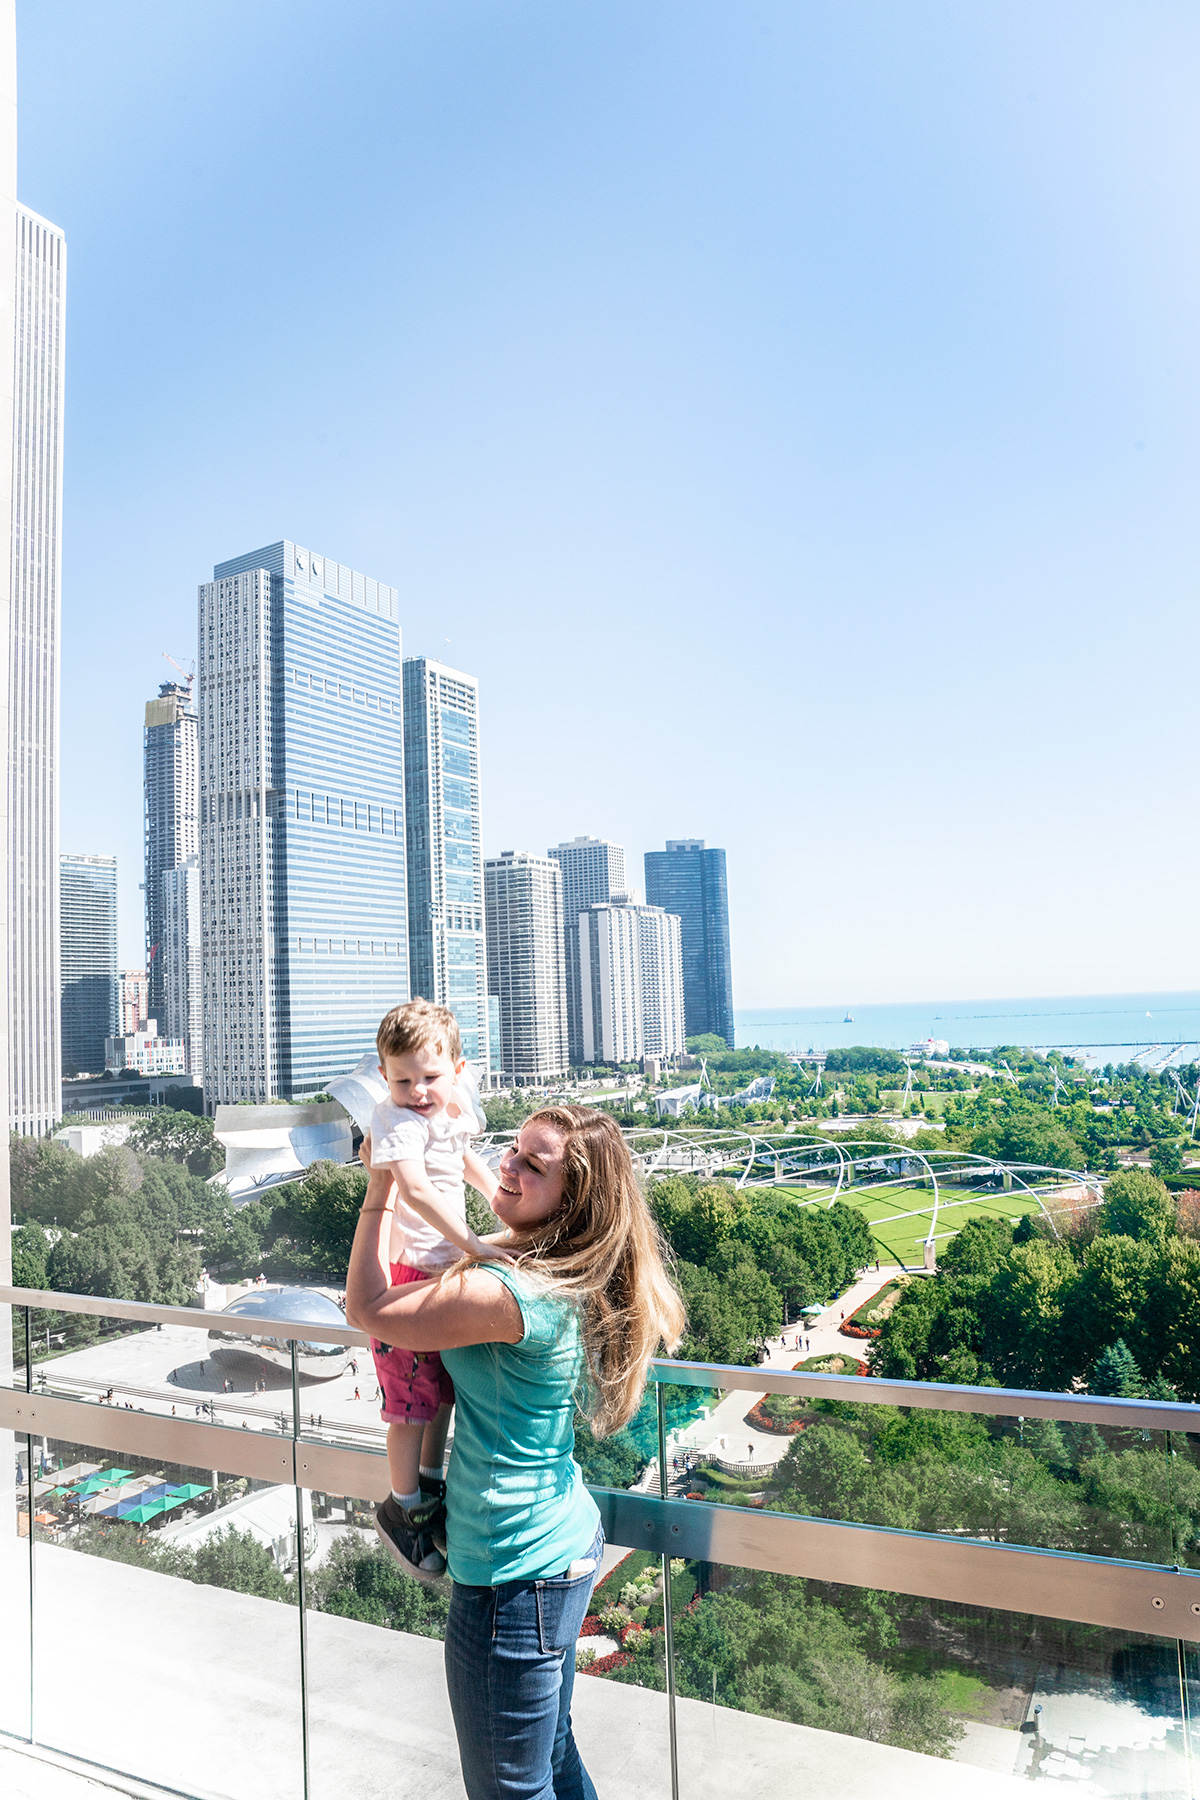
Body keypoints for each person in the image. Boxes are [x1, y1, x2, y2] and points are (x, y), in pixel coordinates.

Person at [347, 1103, 685, 1800]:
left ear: (574, 1200)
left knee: (510, 1786)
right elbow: (471, 1198)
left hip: (514, 1572)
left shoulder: (507, 1292)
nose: (509, 1164)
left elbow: (367, 1309)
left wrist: (382, 1182)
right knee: (550, 1760)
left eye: (536, 1164)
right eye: (514, 1149)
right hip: (558, 1546)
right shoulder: (552, 1270)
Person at [366, 998, 508, 1579]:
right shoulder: (395, 1122)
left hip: (447, 1271)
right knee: (409, 1403)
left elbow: (465, 1159)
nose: (418, 1090)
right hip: (415, 1273)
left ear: (458, 1068)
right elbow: (419, 1192)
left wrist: (499, 1194)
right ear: (384, 1078)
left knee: (441, 1390)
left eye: (429, 1076)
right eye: (403, 1079)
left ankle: (429, 1483)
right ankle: (403, 1508)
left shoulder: (452, 1110)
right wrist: (475, 1241)